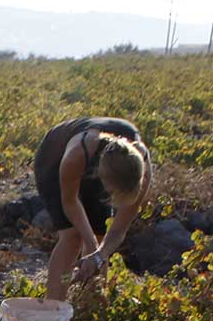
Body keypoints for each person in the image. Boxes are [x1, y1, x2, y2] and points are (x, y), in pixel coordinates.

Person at [32, 117, 153, 300]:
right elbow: (70, 203)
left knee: (100, 234)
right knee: (72, 236)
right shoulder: (77, 155)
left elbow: (119, 229)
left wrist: (98, 255)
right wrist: (89, 243)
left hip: (104, 159)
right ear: (101, 177)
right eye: (111, 192)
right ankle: (53, 309)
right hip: (55, 156)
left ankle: (90, 309)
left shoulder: (141, 168)